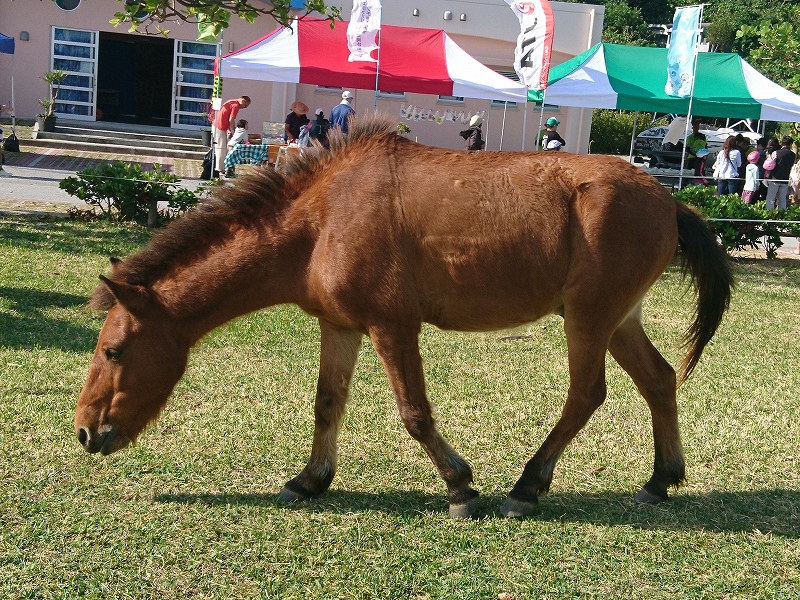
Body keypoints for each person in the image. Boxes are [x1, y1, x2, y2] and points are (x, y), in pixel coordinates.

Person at [212, 95, 251, 178]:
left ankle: (223, 168)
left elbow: (225, 118)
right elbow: (231, 119)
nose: (243, 108)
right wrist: (235, 130)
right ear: (243, 101)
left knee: (223, 150)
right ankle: (220, 169)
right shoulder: (236, 105)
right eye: (245, 106)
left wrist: (228, 129)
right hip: (220, 127)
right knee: (221, 149)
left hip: (220, 127)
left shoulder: (231, 102)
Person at [765, 136, 796, 210]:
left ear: (782, 143)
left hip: (774, 179)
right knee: (782, 200)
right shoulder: (793, 155)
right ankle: (782, 216)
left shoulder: (776, 153)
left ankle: (769, 215)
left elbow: (770, 164)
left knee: (771, 198)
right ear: (790, 144)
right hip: (785, 180)